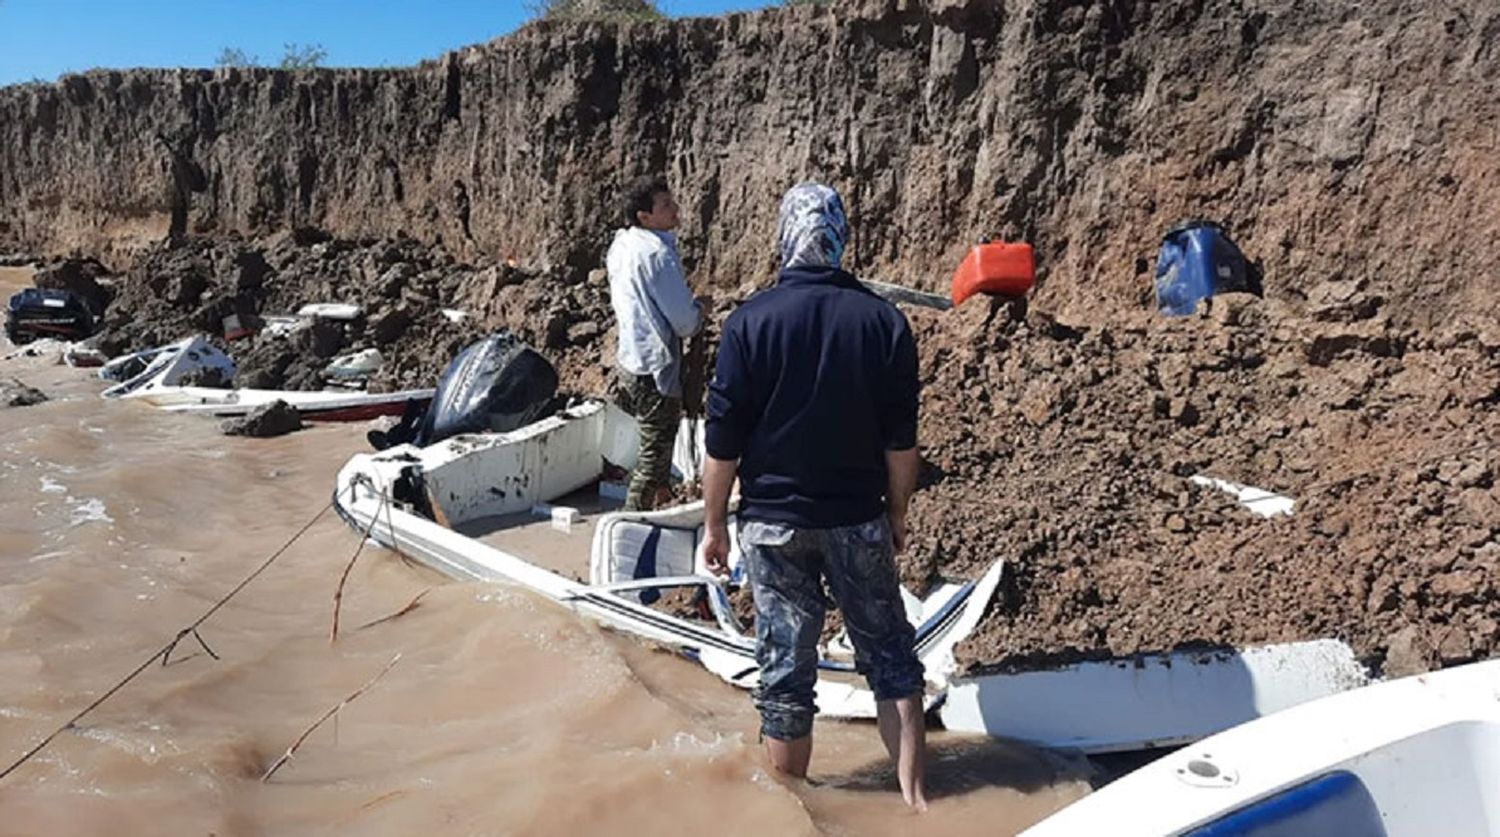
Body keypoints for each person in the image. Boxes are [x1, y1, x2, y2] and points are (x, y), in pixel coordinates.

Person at [699, 183, 928, 810]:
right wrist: (899, 514)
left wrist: (713, 524)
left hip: (773, 526)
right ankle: (915, 806)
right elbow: (900, 444)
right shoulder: (884, 322)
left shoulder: (750, 322)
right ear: (840, 237)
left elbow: (723, 442)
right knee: (890, 657)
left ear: (784, 237)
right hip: (856, 518)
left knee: (785, 675)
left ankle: (799, 813)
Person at [605, 176, 705, 511]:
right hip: (655, 365)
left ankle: (659, 505)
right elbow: (685, 322)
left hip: (631, 360)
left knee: (654, 449)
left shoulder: (623, 244)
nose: (675, 209)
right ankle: (631, 522)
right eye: (665, 206)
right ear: (644, 217)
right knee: (653, 457)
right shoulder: (656, 255)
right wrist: (701, 309)